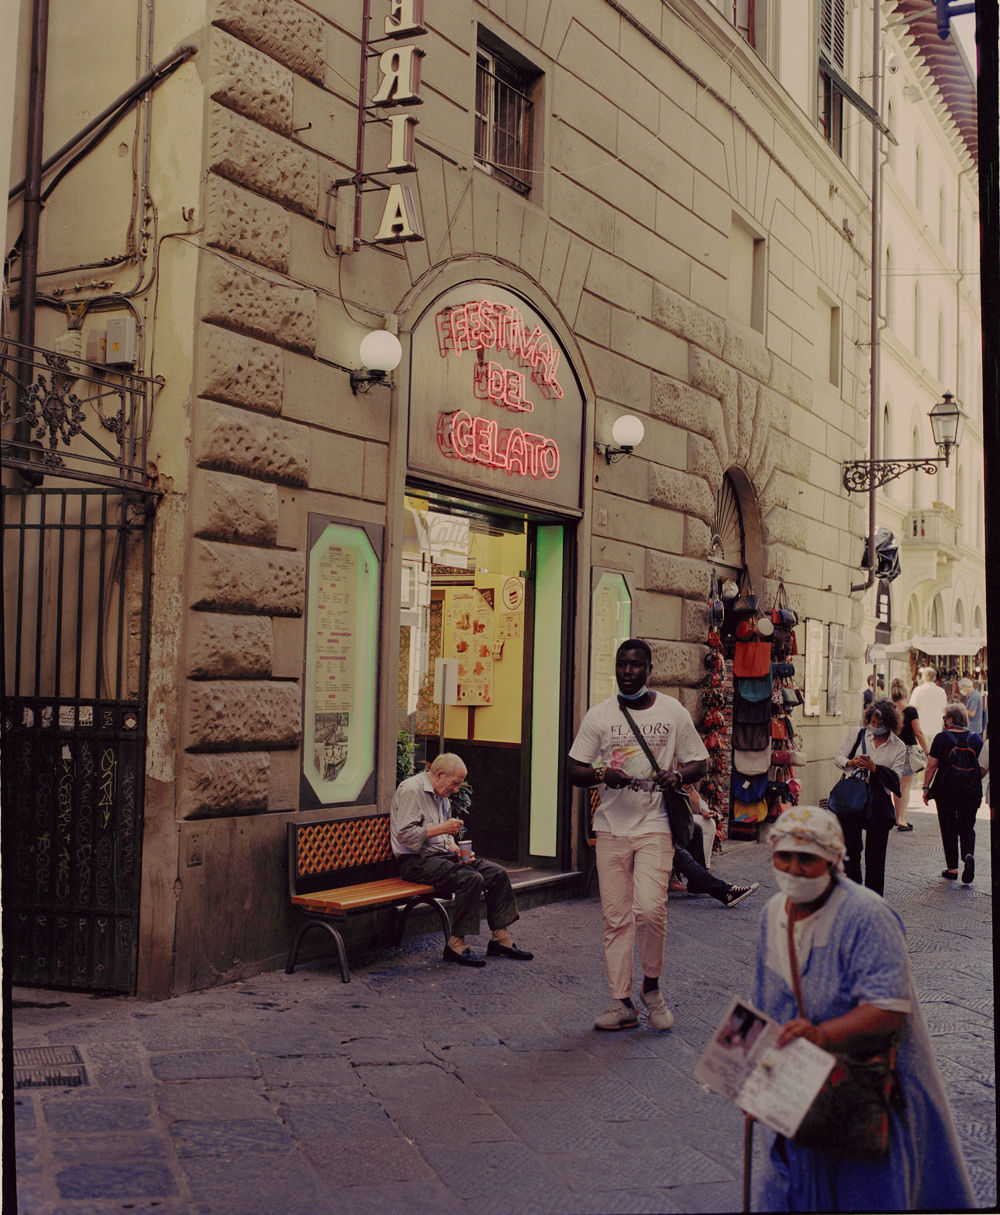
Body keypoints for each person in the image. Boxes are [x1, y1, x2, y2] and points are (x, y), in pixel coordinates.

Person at [751, 804, 975, 1212]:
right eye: (785, 856)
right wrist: (755, 1083)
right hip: (801, 1088)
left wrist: (823, 1036)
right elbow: (766, 1003)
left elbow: (887, 1010)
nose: (795, 869)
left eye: (808, 858)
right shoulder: (771, 915)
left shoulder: (867, 915)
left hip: (868, 1090)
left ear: (834, 860)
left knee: (866, 1193)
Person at [568, 638, 708, 1032]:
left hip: (655, 825)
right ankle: (620, 1003)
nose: (627, 672)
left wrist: (677, 775)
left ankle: (652, 988)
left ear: (649, 670)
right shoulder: (600, 716)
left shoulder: (672, 711)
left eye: (635, 666)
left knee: (650, 910)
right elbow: (573, 769)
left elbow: (701, 761)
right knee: (615, 919)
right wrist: (600, 774)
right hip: (611, 828)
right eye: (622, 665)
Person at [390, 752, 532, 966]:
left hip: (441, 857)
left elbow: (445, 837)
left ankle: (500, 939)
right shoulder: (412, 790)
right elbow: (405, 836)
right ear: (439, 775)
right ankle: (456, 945)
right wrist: (443, 828)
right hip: (414, 861)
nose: (456, 789)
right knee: (470, 878)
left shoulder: (442, 795)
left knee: (496, 873)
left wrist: (456, 849)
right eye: (455, 783)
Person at [832, 699, 904, 896]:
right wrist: (851, 761)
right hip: (853, 798)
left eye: (880, 724)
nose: (876, 727)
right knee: (851, 850)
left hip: (879, 802)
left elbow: (895, 781)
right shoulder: (858, 733)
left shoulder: (898, 746)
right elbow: (838, 758)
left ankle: (873, 899)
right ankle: (853, 895)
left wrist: (875, 768)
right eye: (873, 721)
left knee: (876, 856)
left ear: (890, 724)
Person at [922, 702, 983, 884]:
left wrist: (926, 788)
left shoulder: (942, 738)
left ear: (949, 719)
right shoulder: (976, 739)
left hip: (946, 790)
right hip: (971, 791)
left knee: (948, 826)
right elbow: (982, 768)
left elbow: (932, 765)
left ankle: (953, 868)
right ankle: (968, 854)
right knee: (967, 825)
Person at [670, 782, 759, 906]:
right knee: (677, 851)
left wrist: (704, 808)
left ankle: (697, 885)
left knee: (695, 828)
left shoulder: (677, 769)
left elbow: (690, 791)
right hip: (649, 827)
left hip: (665, 820)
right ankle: (723, 891)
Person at [889, 677, 928, 832]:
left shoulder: (888, 710)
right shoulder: (910, 711)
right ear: (905, 693)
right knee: (905, 787)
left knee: (895, 786)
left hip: (890, 750)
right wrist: (927, 750)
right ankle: (900, 819)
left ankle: (897, 816)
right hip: (906, 751)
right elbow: (918, 732)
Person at [909, 666, 947, 735]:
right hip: (936, 727)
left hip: (922, 727)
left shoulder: (918, 691)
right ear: (934, 677)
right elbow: (944, 709)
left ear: (923, 677)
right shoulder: (941, 691)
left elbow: (912, 709)